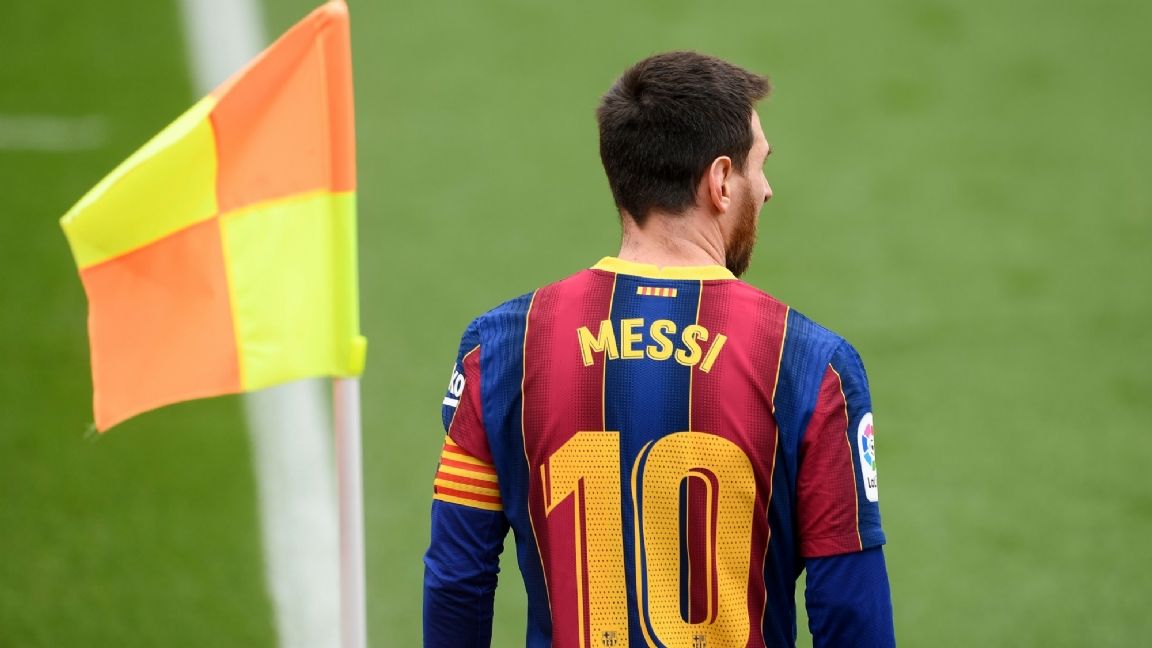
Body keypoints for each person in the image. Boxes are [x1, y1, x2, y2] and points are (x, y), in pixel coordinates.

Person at [423, 51, 895, 647]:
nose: (766, 190)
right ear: (719, 181)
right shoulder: (811, 364)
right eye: (758, 166)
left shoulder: (499, 350)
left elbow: (458, 579)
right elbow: (850, 612)